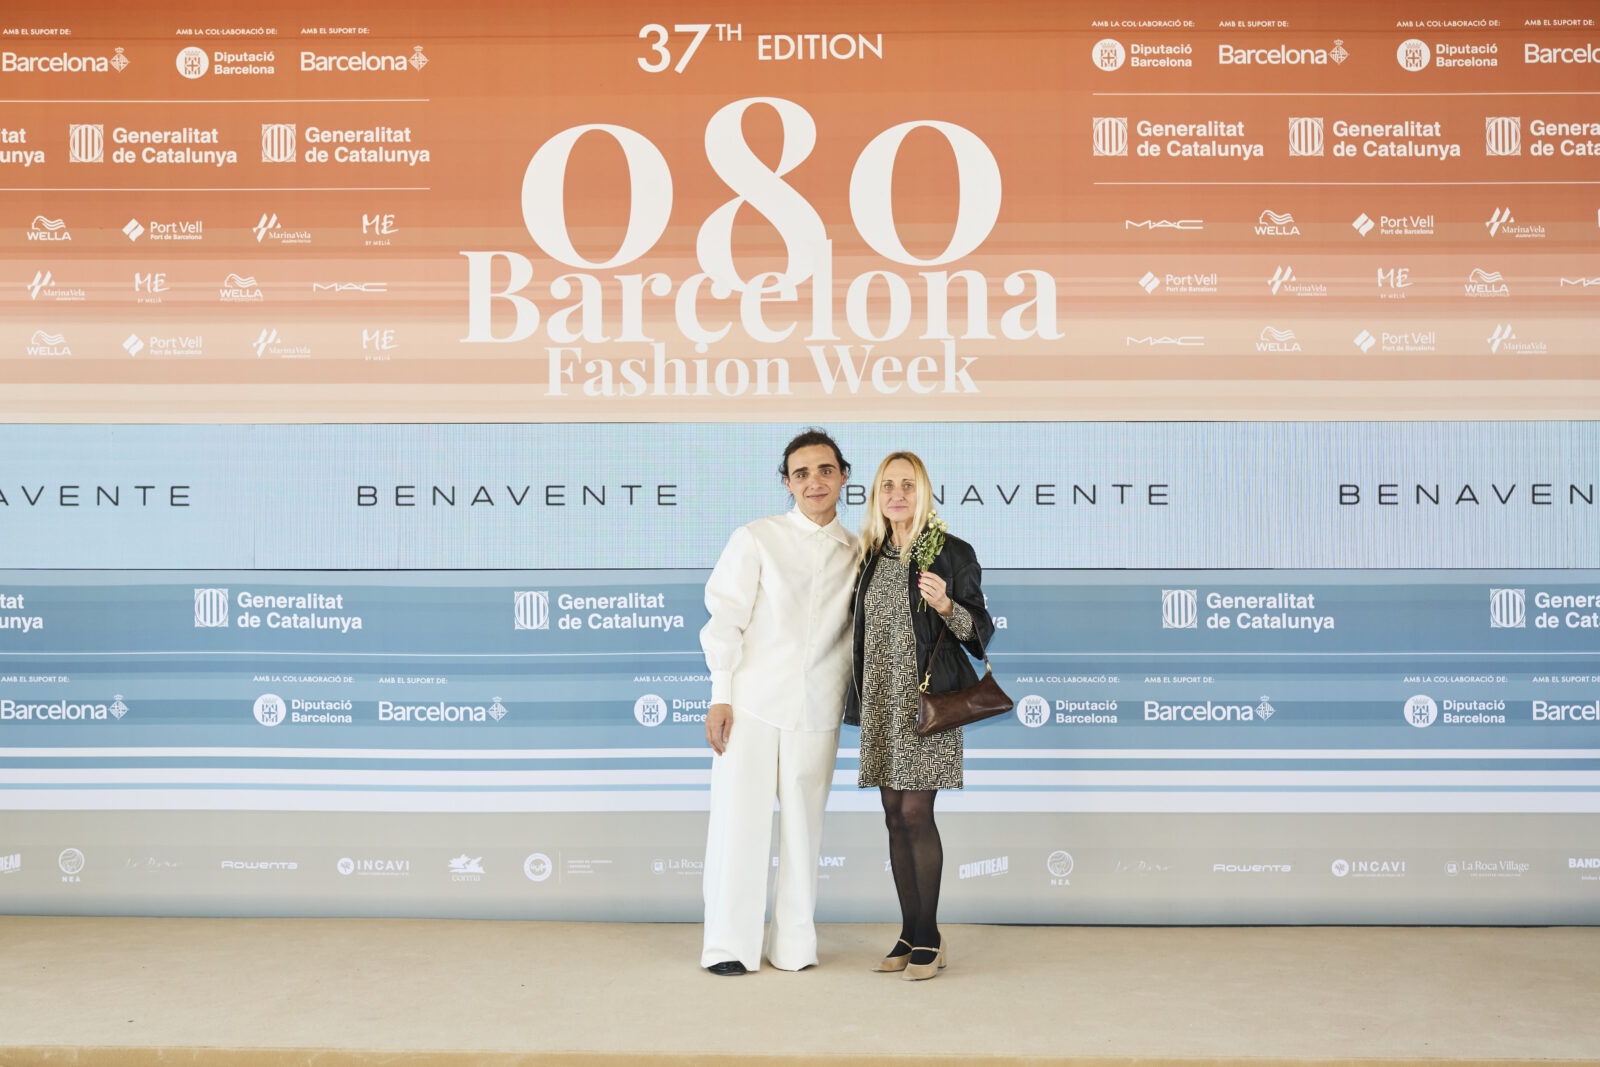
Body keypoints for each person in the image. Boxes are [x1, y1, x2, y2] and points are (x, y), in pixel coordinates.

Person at [698, 428, 856, 976]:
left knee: (804, 833)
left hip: (818, 710)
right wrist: (721, 695)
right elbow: (725, 619)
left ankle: (793, 947)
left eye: (825, 470)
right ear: (787, 483)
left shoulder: (860, 551)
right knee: (738, 825)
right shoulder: (756, 538)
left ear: (843, 477)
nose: (814, 482)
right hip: (750, 705)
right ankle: (728, 946)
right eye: (801, 473)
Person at [844, 451, 994, 981]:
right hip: (881, 701)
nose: (897, 495)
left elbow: (980, 635)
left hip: (927, 703)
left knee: (915, 814)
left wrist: (949, 606)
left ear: (924, 491)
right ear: (877, 496)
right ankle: (909, 932)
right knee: (892, 813)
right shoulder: (869, 555)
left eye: (908, 485)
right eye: (887, 486)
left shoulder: (951, 552)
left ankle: (930, 936)